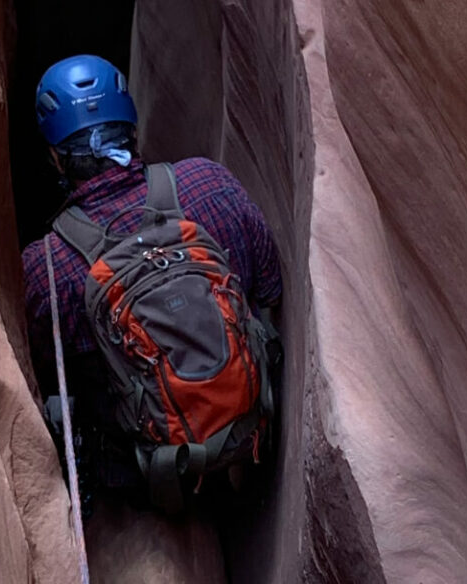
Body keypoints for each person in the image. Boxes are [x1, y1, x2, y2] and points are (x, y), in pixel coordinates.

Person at [21, 54, 282, 511]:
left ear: (55, 158)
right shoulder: (209, 183)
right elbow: (272, 288)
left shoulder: (45, 266)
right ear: (132, 129)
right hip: (253, 428)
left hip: (146, 472)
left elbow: (43, 372)